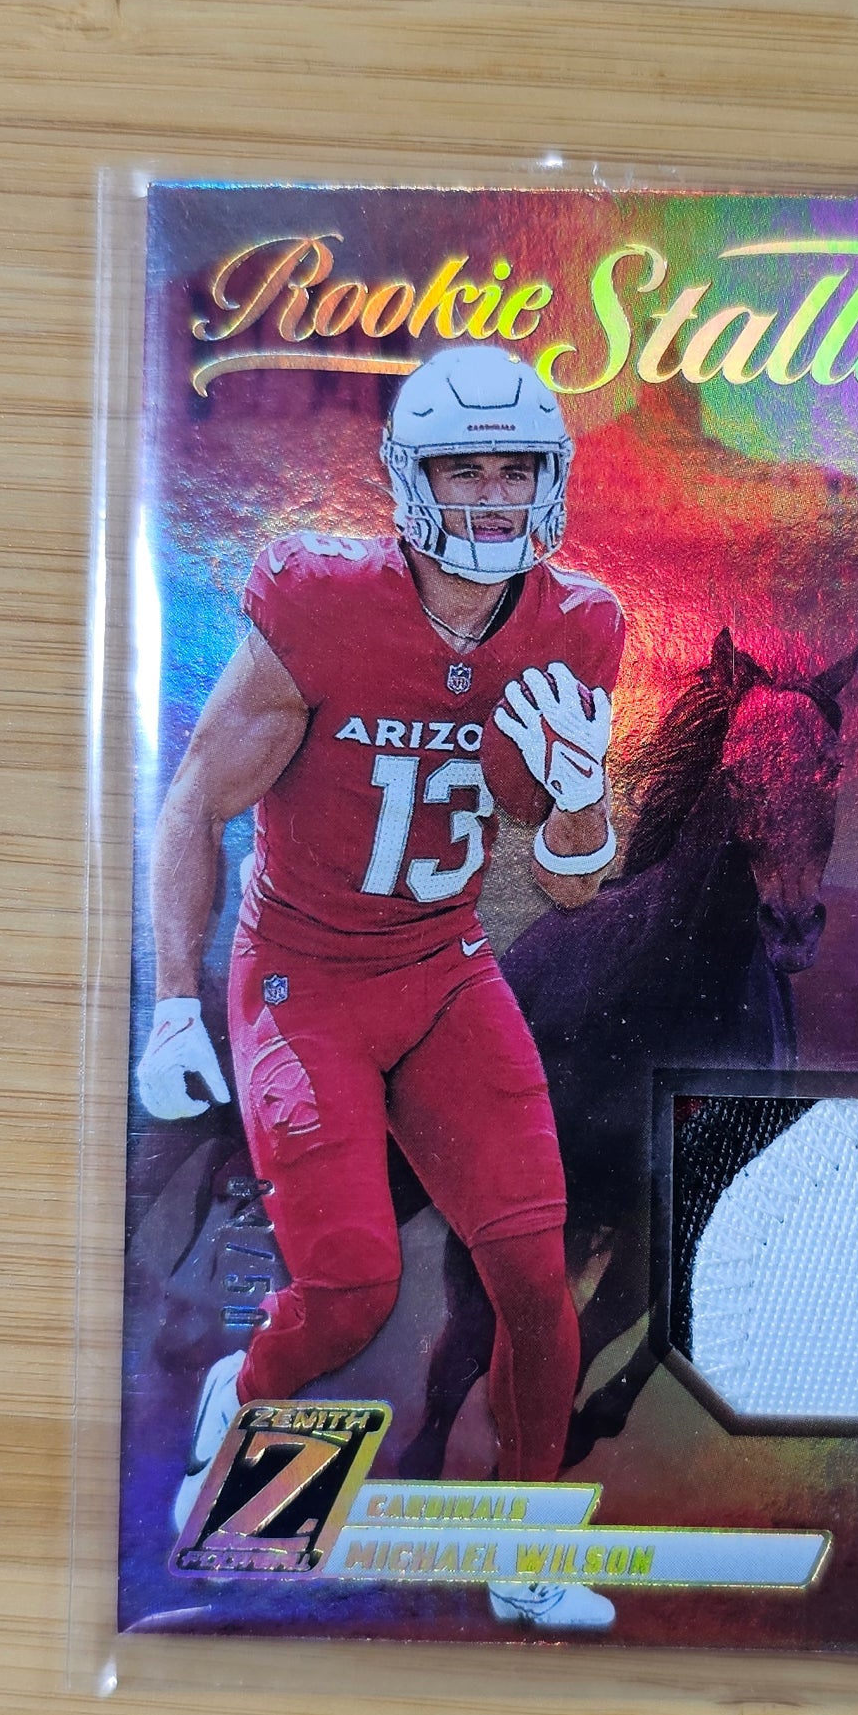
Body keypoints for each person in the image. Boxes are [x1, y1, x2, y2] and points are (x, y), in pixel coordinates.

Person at [136, 343, 626, 1629]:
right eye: (464, 469)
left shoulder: (577, 625)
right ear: (413, 479)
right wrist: (174, 999)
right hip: (305, 975)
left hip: (442, 967)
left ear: (550, 477)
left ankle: (527, 1551)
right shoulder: (322, 603)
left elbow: (569, 878)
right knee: (351, 1287)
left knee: (535, 1282)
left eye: (514, 468)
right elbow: (194, 798)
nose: (492, 496)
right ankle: (243, 1393)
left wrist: (581, 797)